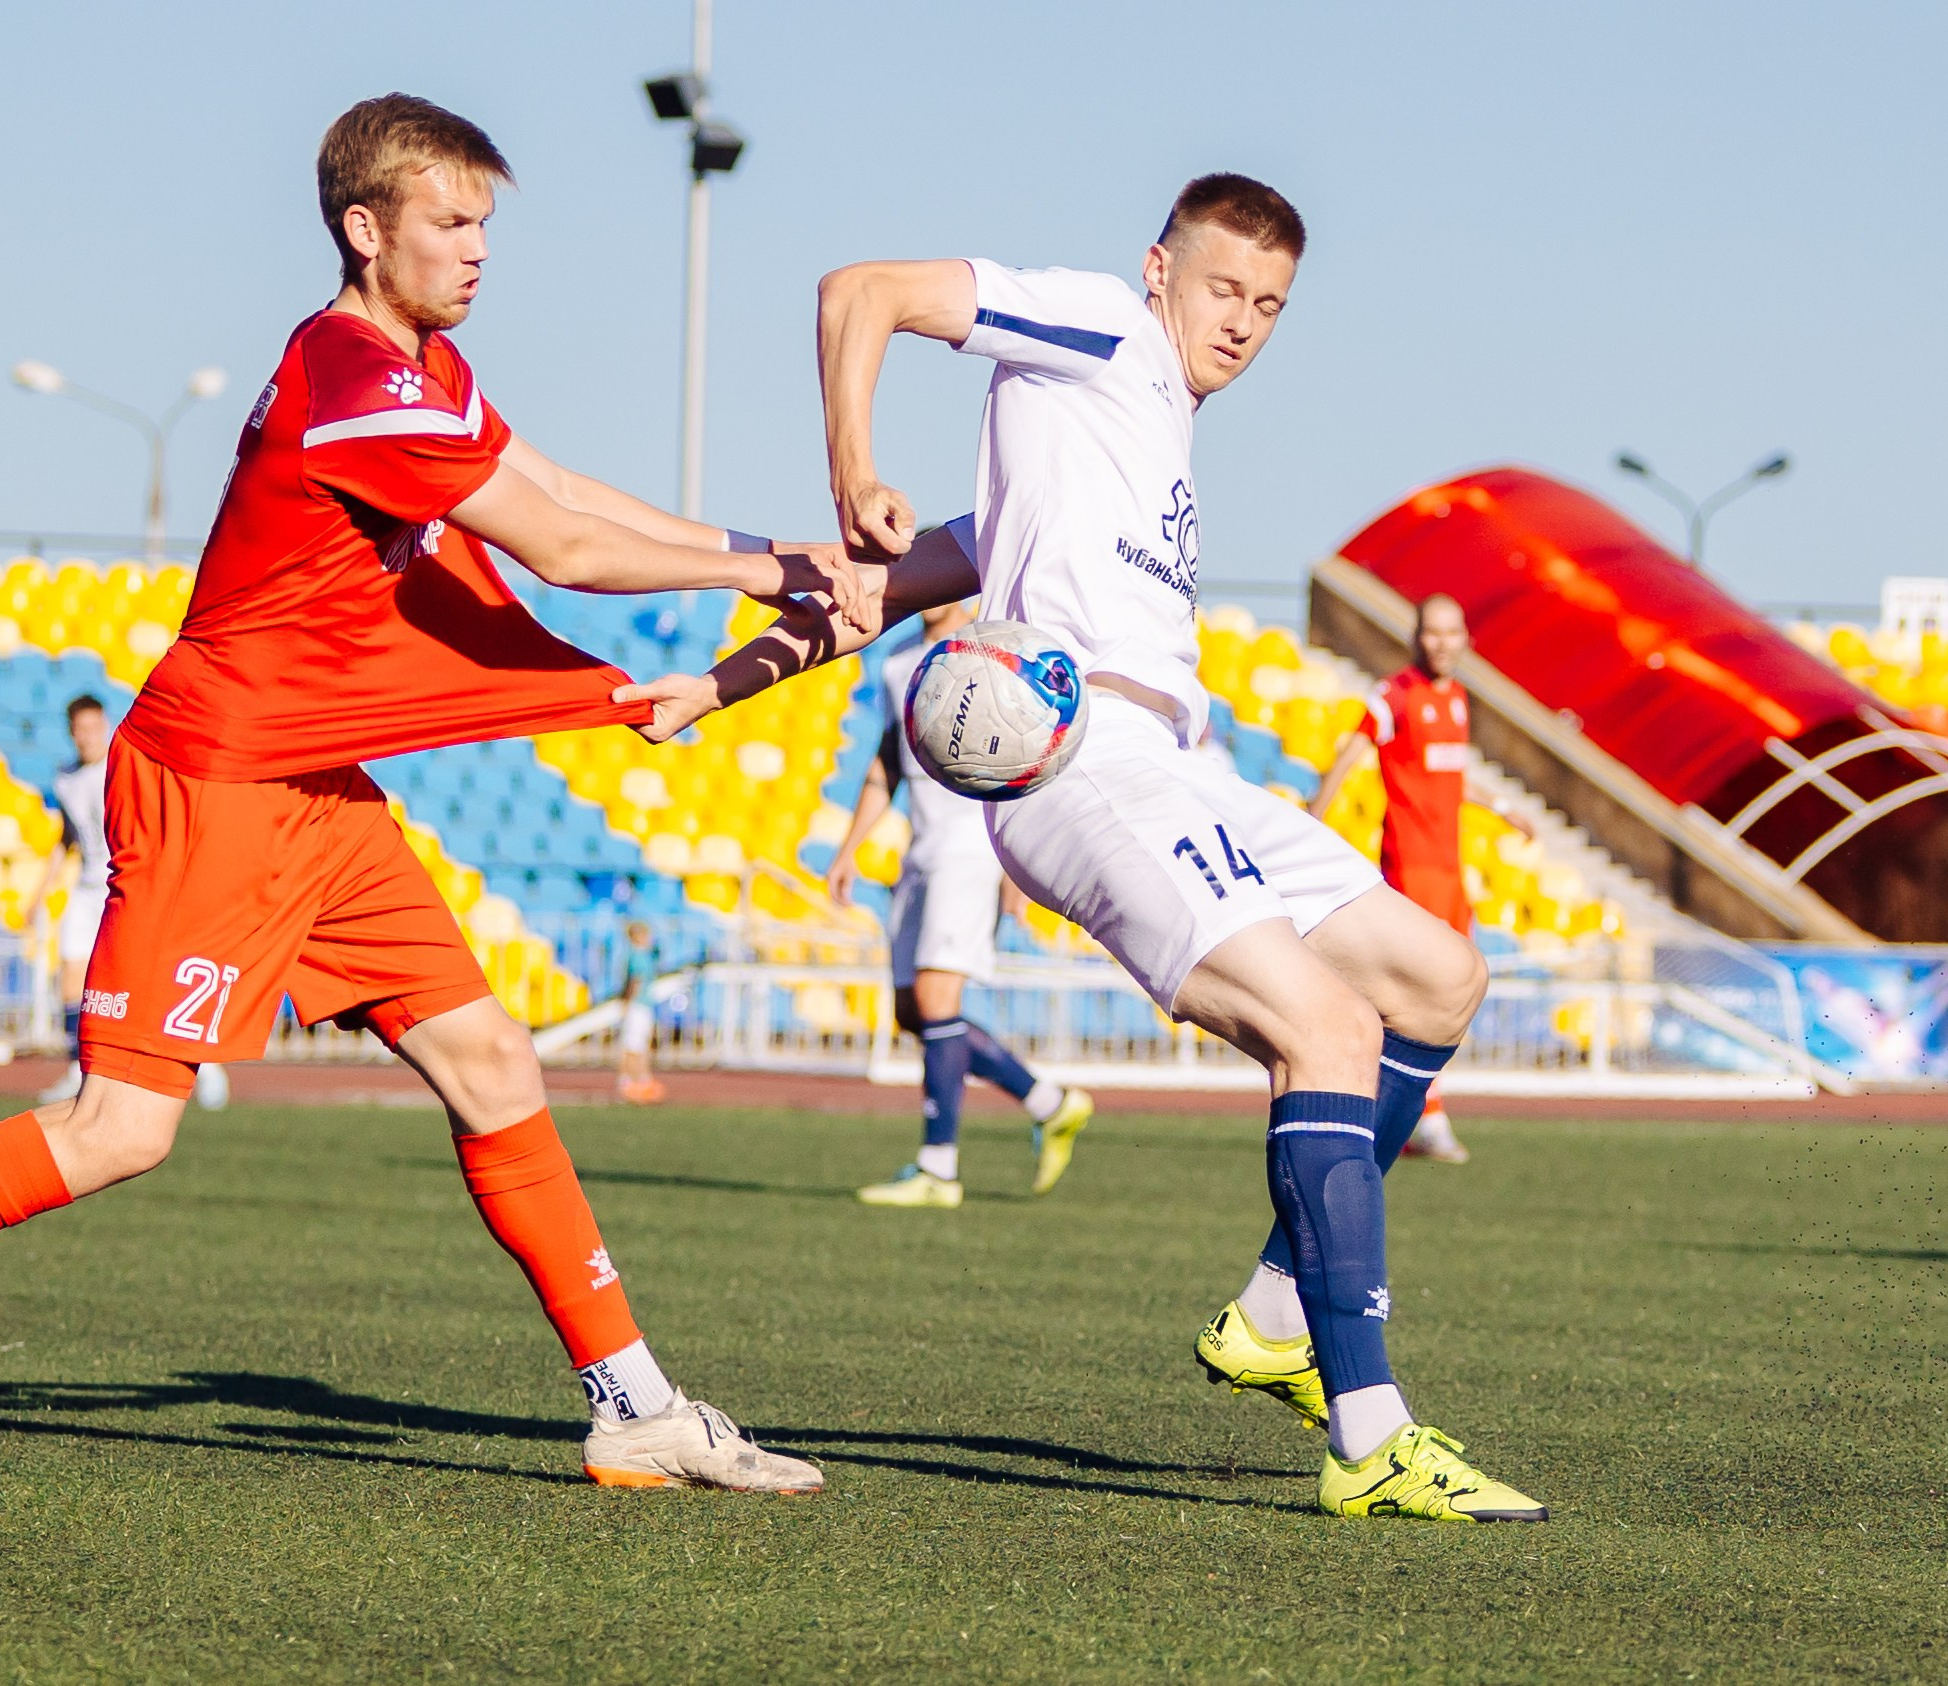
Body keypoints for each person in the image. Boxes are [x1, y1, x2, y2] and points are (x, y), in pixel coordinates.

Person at [0, 93, 863, 1493]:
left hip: (315, 782)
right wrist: (773, 575)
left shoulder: (412, 369)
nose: (479, 248)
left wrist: (779, 547)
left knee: (492, 1061)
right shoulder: (358, 387)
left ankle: (634, 1403)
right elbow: (560, 545)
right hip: (218, 781)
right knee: (120, 1129)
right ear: (367, 231)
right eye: (450, 222)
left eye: (488, 222)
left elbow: (555, 479)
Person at [623, 175, 1544, 1519]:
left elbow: (880, 593)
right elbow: (859, 291)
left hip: (1176, 763)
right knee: (1330, 1032)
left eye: (1270, 306)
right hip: (1084, 766)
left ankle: (1280, 1313)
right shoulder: (1104, 323)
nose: (1242, 323)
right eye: (1223, 288)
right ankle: (1370, 1435)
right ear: (1160, 270)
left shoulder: (1101, 452)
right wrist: (854, 465)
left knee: (1438, 976)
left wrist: (717, 687)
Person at [825, 586, 1093, 1206]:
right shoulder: (897, 666)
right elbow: (887, 763)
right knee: (912, 1013)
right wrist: (849, 848)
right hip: (921, 852)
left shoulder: (990, 652)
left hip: (971, 851)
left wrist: (1015, 867)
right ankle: (1049, 1102)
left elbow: (1031, 760)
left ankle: (937, 1169)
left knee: (937, 998)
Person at [1307, 593, 1522, 1164]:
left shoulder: (1456, 699)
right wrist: (1313, 817)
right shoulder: (1396, 694)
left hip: (1451, 875)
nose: (1442, 643)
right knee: (1421, 1000)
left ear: (1466, 639)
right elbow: (1352, 748)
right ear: (1415, 637)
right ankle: (1422, 1119)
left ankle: (1407, 1115)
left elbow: (1448, 778)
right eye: (1432, 632)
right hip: (1410, 871)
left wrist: (1501, 804)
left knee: (1451, 1000)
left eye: (1452, 632)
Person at [26, 695, 229, 1112]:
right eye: (80, 728)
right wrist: (40, 892)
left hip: (126, 881)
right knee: (71, 978)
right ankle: (76, 1069)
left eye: (93, 726)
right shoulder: (65, 778)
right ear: (71, 731)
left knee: (148, 978)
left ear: (103, 725)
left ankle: (201, 1063)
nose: (87, 735)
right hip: (85, 888)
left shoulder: (122, 765)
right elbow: (68, 835)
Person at [612, 920, 666, 1105]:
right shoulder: (637, 956)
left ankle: (640, 1078)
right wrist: (627, 1002)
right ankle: (631, 1080)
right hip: (638, 1005)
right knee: (633, 1044)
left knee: (639, 1043)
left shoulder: (643, 955)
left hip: (644, 1004)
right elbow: (635, 980)